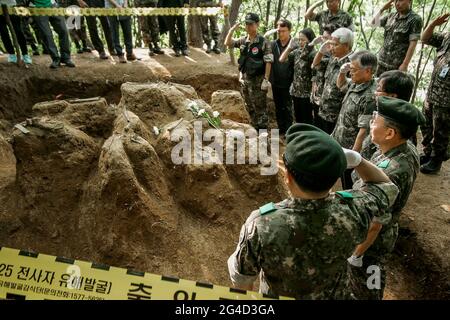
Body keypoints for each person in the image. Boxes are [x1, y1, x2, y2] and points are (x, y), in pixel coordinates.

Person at [227, 123, 398, 299]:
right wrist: (358, 160)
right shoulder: (355, 209)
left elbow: (242, 280)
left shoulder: (260, 225)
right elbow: (387, 187)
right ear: (335, 177)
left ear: (287, 176)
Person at [348, 96, 425, 300]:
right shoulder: (403, 149)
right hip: (378, 236)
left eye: (375, 120)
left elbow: (375, 223)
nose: (371, 123)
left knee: (366, 288)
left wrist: (355, 254)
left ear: (390, 133)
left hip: (371, 241)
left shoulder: (393, 170)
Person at [332, 50, 377, 189]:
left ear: (368, 71)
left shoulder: (369, 96)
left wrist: (353, 156)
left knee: (349, 184)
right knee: (342, 178)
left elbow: (364, 131)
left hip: (351, 148)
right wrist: (341, 72)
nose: (350, 73)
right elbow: (340, 85)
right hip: (340, 141)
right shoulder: (356, 83)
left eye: (353, 70)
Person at [225, 13, 273, 131]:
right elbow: (228, 43)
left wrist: (266, 80)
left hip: (258, 80)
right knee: (249, 106)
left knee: (260, 108)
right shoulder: (243, 40)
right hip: (246, 80)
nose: (248, 26)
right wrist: (231, 30)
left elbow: (268, 61)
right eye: (246, 24)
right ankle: (254, 129)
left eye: (251, 24)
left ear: (257, 24)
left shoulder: (263, 41)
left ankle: (263, 133)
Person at [419, 13, 450, 174]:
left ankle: (436, 160)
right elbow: (424, 39)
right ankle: (427, 153)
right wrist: (432, 24)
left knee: (441, 130)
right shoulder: (446, 37)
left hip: (446, 100)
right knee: (425, 124)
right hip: (432, 92)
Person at [360, 70, 415, 160]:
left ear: (393, 96)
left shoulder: (400, 127)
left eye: (378, 89)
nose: (375, 93)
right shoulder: (381, 111)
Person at [312, 27, 353, 134]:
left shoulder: (352, 64)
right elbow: (315, 65)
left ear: (346, 46)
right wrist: (321, 51)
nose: (331, 48)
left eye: (335, 45)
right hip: (323, 110)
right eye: (331, 44)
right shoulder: (333, 59)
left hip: (336, 116)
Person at [370, 0, 422, 76]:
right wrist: (383, 9)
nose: (397, 4)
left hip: (396, 66)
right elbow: (373, 24)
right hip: (381, 63)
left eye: (401, 0)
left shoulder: (415, 19)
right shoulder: (391, 16)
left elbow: (413, 43)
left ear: (409, 1)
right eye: (396, 1)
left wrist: (405, 64)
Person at [280, 28, 317, 124]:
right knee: (297, 119)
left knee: (307, 120)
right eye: (299, 39)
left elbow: (316, 74)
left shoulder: (314, 54)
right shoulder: (297, 52)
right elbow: (281, 59)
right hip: (296, 91)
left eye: (303, 40)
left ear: (310, 40)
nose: (300, 42)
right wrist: (289, 47)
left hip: (307, 94)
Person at [267, 19, 294, 135]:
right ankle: (281, 129)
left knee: (288, 108)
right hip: (276, 81)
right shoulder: (273, 44)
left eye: (283, 31)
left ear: (289, 31)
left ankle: (289, 131)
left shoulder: (294, 44)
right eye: (279, 31)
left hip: (289, 82)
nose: (281, 34)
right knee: (278, 106)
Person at [31, 0, 75, 68]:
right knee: (46, 35)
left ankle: (66, 58)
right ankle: (55, 59)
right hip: (37, 8)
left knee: (64, 31)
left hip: (52, 5)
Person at [310, 24, 337, 125]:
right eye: (323, 37)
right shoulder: (322, 53)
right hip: (317, 94)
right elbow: (314, 68)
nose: (323, 41)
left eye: (326, 38)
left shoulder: (335, 56)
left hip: (328, 101)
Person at [0, 0, 32, 64]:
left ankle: (25, 54)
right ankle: (11, 54)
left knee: (18, 31)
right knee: (4, 33)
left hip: (12, 7)